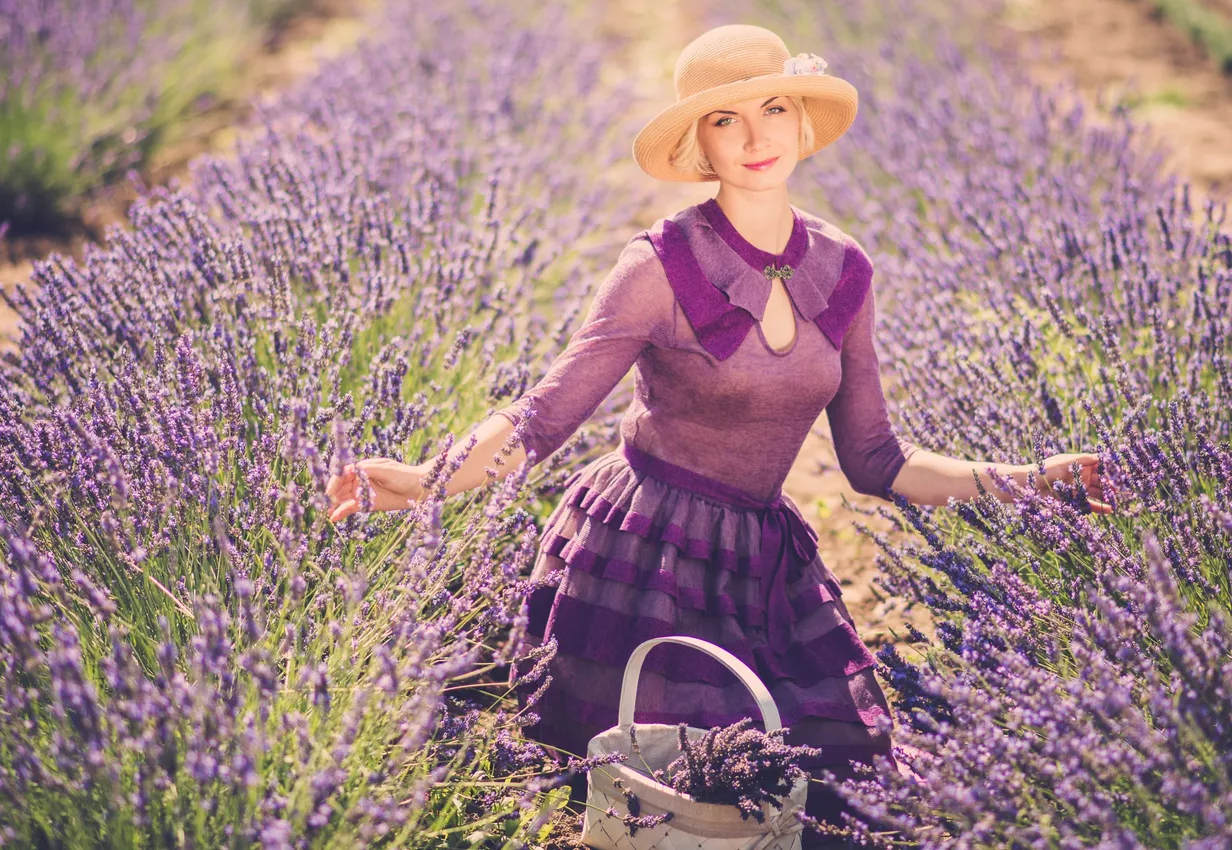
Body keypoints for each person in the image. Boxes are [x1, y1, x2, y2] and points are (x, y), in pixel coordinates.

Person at [325, 24, 1111, 846]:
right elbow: (543, 416)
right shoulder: (660, 263)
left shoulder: (845, 268)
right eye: (726, 119)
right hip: (643, 560)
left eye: (773, 108)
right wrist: (426, 480)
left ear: (803, 121)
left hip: (764, 568)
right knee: (671, 794)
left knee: (832, 786)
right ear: (701, 144)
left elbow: (878, 461)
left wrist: (1036, 479)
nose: (756, 135)